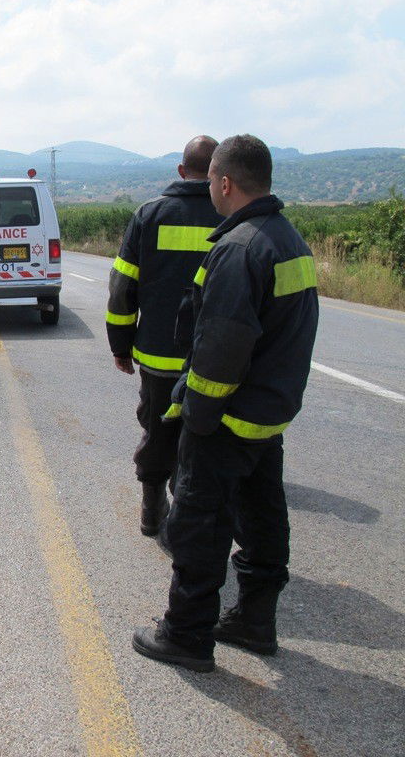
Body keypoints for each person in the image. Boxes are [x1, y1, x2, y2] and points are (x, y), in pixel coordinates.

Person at [132, 135, 319, 672]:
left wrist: (198, 417)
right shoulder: (287, 239)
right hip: (268, 414)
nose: (210, 188)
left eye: (212, 180)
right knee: (262, 515)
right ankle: (255, 621)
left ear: (226, 182)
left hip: (228, 418)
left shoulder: (239, 248)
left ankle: (187, 635)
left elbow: (220, 349)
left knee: (199, 521)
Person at [106, 136, 223, 536]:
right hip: (215, 360)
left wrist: (121, 346)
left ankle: (151, 511)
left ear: (180, 170)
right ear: (217, 174)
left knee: (157, 432)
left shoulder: (149, 215)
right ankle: (186, 519)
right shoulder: (235, 218)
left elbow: (123, 289)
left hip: (158, 358)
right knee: (203, 439)